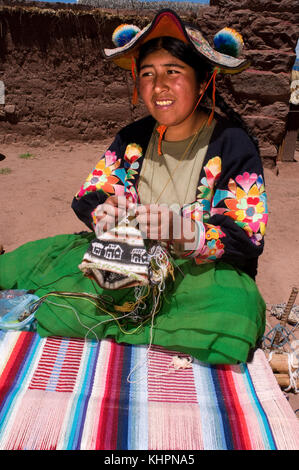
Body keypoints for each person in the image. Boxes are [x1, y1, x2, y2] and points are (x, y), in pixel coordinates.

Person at [0, 9, 267, 365]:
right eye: (147, 75)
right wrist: (104, 212)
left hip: (193, 276)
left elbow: (247, 238)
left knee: (237, 304)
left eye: (173, 72)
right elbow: (89, 195)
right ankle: (147, 328)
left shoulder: (233, 145)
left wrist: (187, 233)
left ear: (203, 80)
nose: (159, 87)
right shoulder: (132, 138)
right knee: (43, 259)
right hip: (125, 264)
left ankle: (123, 323)